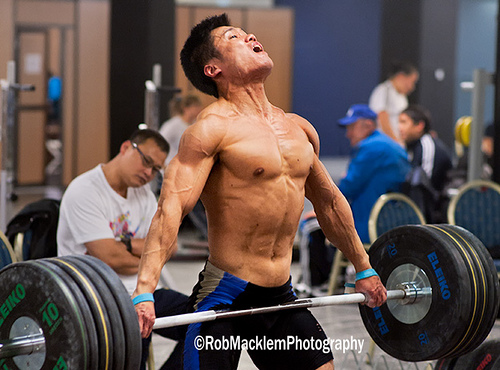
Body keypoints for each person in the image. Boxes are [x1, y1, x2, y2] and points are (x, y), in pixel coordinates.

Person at [133, 14, 387, 370]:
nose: (250, 36)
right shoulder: (210, 130)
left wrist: (364, 267)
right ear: (212, 69)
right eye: (234, 37)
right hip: (225, 297)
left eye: (246, 32)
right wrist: (145, 289)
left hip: (280, 295)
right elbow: (171, 207)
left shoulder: (298, 128)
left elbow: (329, 202)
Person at [57, 129, 188, 370]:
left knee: (209, 329)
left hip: (145, 291)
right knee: (135, 337)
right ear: (126, 147)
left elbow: (170, 245)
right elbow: (110, 258)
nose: (149, 173)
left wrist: (125, 245)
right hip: (100, 297)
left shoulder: (144, 195)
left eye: (156, 169)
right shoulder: (84, 190)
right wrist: (148, 252)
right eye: (146, 162)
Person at [337, 104, 411, 244]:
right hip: (391, 221)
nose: (348, 134)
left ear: (369, 125)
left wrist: (322, 209)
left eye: (352, 127)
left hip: (370, 226)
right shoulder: (386, 144)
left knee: (312, 226)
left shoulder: (371, 147)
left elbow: (347, 187)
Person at [398, 105, 453, 222]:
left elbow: (424, 188)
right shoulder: (412, 147)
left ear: (419, 126)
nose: (399, 127)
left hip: (436, 219)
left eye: (404, 122)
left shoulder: (427, 145)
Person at [369, 61, 419, 143]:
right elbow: (382, 118)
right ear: (401, 76)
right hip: (385, 144)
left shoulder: (402, 97)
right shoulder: (383, 91)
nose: (412, 87)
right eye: (412, 81)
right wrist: (395, 143)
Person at [159, 94, 203, 165]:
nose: (199, 109)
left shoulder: (196, 125)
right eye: (195, 106)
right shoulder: (173, 124)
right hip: (170, 165)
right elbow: (160, 142)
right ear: (186, 108)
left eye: (199, 106)